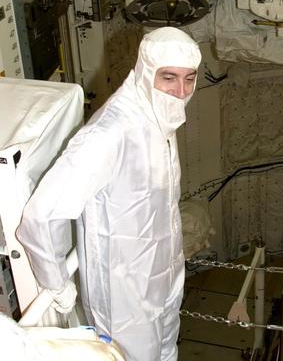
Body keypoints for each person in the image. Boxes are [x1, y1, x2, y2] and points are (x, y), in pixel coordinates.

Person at [16, 26, 202, 361]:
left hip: (164, 274)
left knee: (167, 351)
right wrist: (56, 283)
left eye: (189, 79)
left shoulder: (160, 117)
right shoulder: (109, 133)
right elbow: (42, 214)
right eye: (169, 78)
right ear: (146, 72)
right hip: (123, 295)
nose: (180, 91)